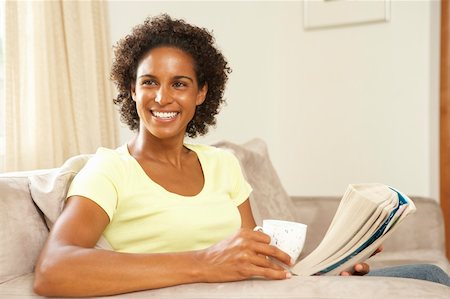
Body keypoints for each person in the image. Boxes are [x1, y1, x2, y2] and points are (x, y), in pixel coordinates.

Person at [33, 14, 449, 297]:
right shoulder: (109, 169)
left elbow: (254, 260)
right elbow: (53, 269)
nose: (162, 97)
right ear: (132, 89)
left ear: (201, 94)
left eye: (179, 84)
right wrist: (204, 262)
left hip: (259, 291)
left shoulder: (222, 165)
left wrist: (331, 266)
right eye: (148, 82)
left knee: (428, 275)